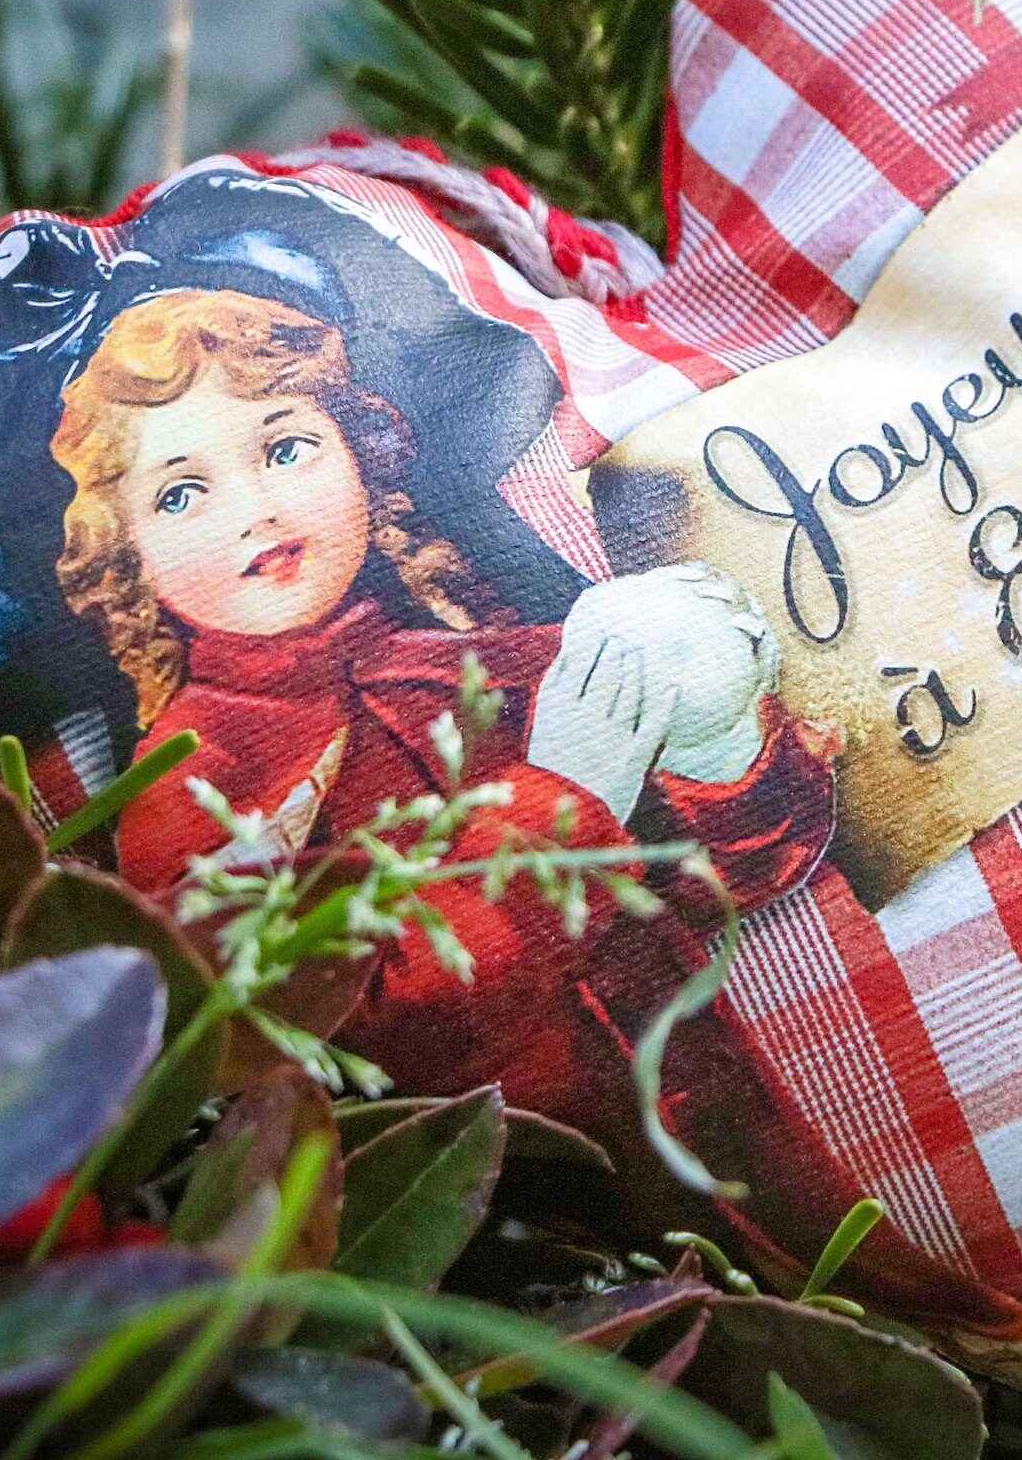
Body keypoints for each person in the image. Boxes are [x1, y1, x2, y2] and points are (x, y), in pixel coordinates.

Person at [45, 284, 839, 1114]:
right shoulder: (191, 785)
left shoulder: (484, 666)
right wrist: (567, 800)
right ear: (126, 554)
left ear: (356, 453)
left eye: (285, 448)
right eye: (182, 494)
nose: (257, 510)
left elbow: (726, 877)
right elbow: (370, 1041)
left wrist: (721, 748)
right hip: (508, 1201)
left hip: (728, 1136)